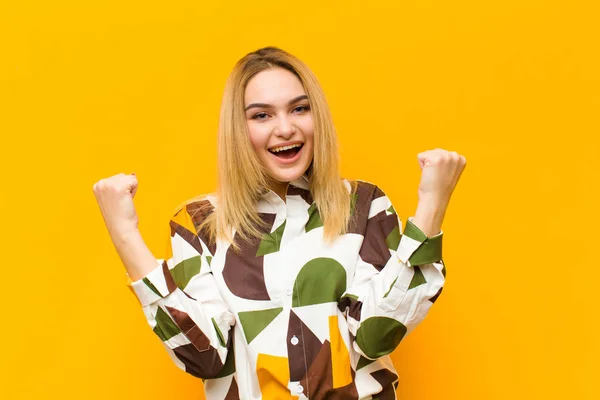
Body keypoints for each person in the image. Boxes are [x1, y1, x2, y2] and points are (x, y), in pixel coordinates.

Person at [93, 46, 466, 400]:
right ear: (238, 129)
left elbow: (376, 335)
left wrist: (431, 210)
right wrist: (125, 236)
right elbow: (204, 356)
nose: (285, 128)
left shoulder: (363, 206)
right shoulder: (199, 224)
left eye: (299, 109)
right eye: (262, 115)